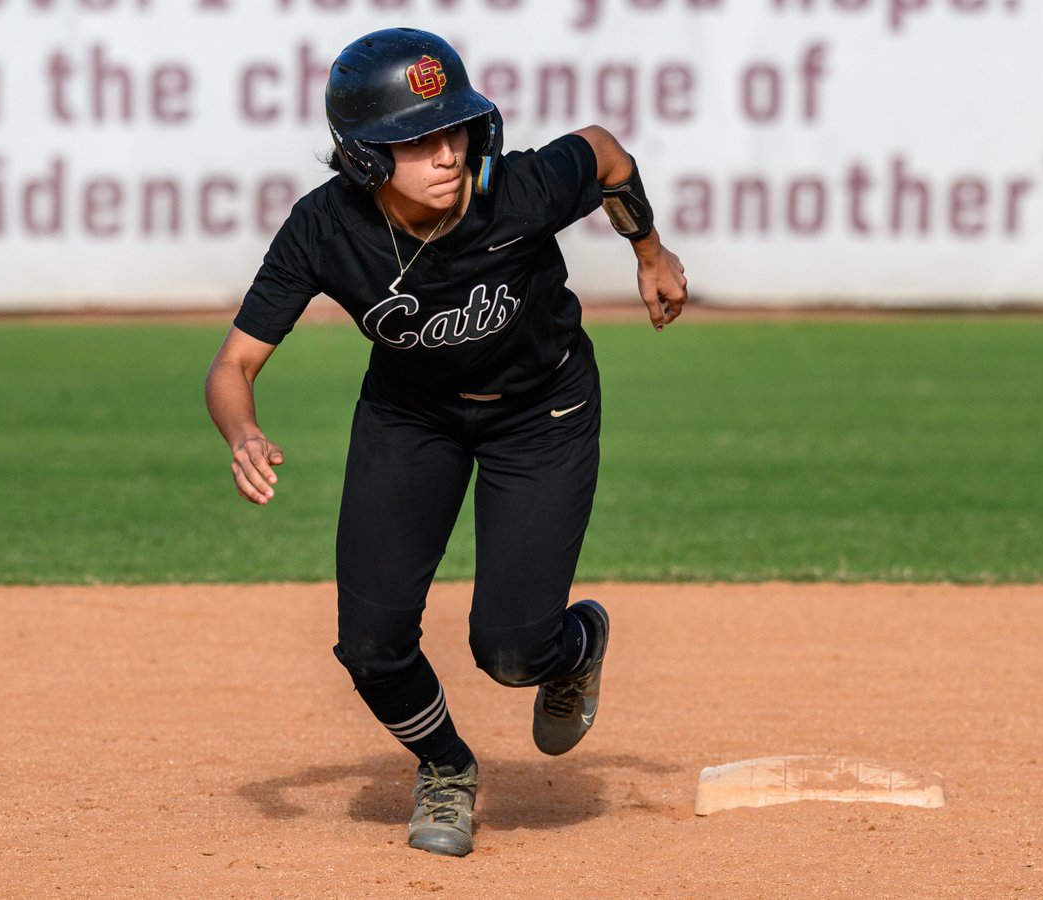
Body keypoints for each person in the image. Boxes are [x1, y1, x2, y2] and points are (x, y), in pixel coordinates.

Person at [205, 27, 687, 857]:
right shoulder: (325, 228)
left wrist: (648, 248)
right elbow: (233, 365)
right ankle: (446, 768)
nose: (447, 153)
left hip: (542, 411)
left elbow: (605, 153)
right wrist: (242, 429)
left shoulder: (517, 188)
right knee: (370, 646)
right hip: (412, 416)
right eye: (416, 139)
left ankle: (576, 645)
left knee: (512, 651)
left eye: (454, 127)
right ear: (362, 155)